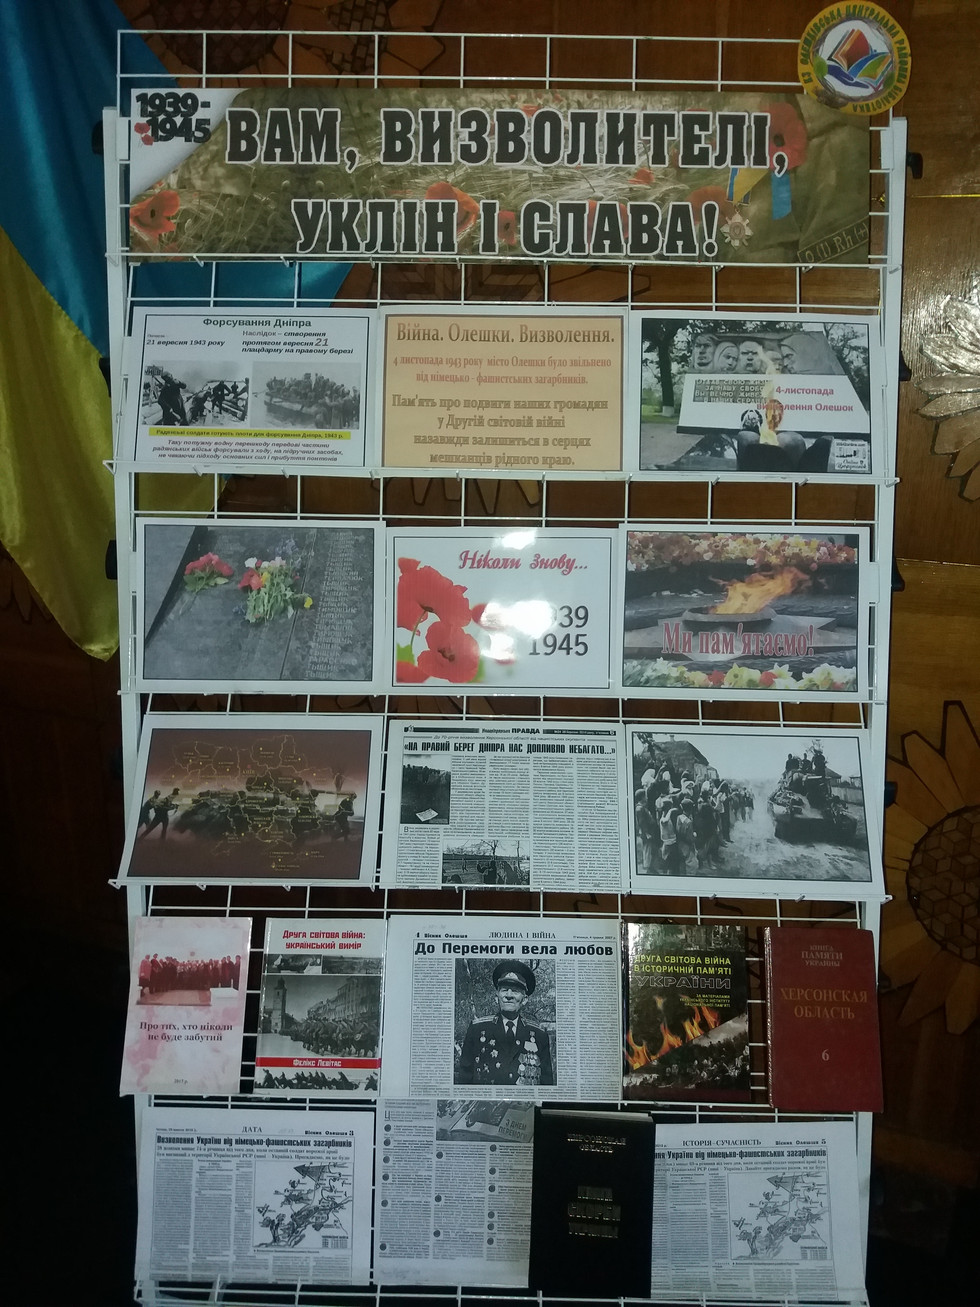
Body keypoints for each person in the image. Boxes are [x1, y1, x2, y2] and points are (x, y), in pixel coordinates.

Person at [456, 961, 554, 1086]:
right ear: (496, 997)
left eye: (515, 991)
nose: (509, 995)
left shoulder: (539, 1035)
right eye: (504, 990)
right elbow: (465, 1079)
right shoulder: (477, 1030)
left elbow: (546, 1083)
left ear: (524, 999)